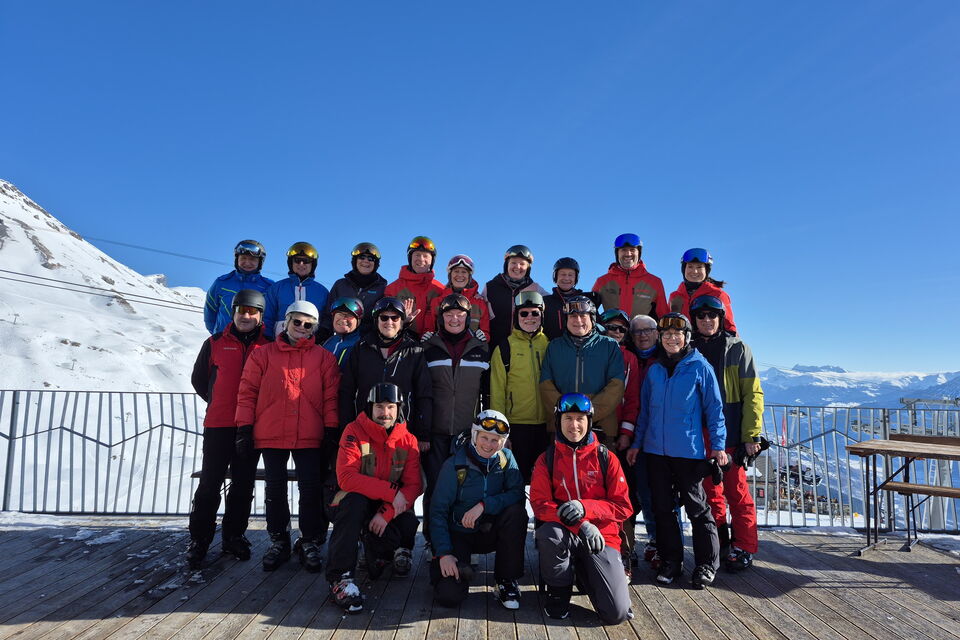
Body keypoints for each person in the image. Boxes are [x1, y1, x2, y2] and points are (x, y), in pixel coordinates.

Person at [235, 300, 341, 573]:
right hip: (271, 431)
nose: (302, 328)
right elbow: (247, 392)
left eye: (308, 325)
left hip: (309, 433)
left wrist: (330, 429)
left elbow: (330, 397)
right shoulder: (262, 355)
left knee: (310, 489)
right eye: (297, 322)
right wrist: (244, 427)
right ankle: (279, 540)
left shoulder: (324, 358)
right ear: (287, 321)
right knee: (275, 489)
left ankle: (309, 540)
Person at [626, 313, 727, 590]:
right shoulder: (655, 371)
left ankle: (707, 564)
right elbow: (645, 412)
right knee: (662, 509)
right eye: (667, 334)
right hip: (655, 451)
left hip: (688, 451)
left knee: (697, 508)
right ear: (661, 338)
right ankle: (672, 560)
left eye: (677, 334)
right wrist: (637, 444)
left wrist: (718, 446)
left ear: (686, 338)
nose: (672, 339)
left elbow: (714, 409)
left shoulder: (699, 367)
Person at [187, 289, 271, 569]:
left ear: (261, 316)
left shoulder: (268, 346)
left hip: (251, 427)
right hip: (218, 425)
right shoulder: (214, 343)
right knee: (209, 484)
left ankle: (234, 536)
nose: (246, 316)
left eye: (252, 312)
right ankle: (199, 539)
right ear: (233, 313)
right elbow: (199, 380)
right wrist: (218, 402)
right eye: (241, 311)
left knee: (243, 485)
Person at [532, 393, 633, 624]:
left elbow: (623, 506)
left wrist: (585, 507)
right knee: (550, 533)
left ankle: (585, 571)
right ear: (558, 421)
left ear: (589, 421)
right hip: (565, 531)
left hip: (602, 535)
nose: (574, 425)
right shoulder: (547, 458)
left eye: (580, 419)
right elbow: (540, 504)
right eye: (568, 418)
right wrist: (581, 524)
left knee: (616, 614)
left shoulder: (606, 457)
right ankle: (558, 594)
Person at [326, 383, 422, 613]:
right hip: (351, 502)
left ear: (399, 409)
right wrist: (391, 492)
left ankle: (378, 551)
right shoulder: (354, 431)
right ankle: (340, 578)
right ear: (370, 407)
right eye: (379, 406)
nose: (385, 413)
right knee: (355, 503)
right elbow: (347, 478)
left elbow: (414, 486)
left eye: (390, 407)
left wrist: (386, 513)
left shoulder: (408, 440)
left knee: (407, 523)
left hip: (384, 507)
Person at [690, 295, 763, 571]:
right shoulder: (689, 348)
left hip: (730, 431)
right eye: (701, 316)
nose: (707, 320)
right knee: (710, 493)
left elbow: (752, 393)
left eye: (712, 315)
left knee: (737, 492)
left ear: (721, 318)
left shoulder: (738, 348)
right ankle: (719, 539)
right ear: (694, 320)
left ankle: (745, 546)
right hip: (700, 433)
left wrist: (751, 434)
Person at [429, 410, 526, 609]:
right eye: (484, 437)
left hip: (489, 530)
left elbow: (517, 493)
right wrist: (444, 553)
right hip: (459, 533)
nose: (489, 445)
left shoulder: (506, 459)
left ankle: (506, 580)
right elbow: (437, 511)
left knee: (516, 513)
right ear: (474, 435)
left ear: (503, 441)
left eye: (495, 440)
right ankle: (442, 565)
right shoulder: (454, 465)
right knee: (449, 596)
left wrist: (484, 505)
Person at [421, 294, 490, 542]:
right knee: (436, 487)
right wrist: (423, 431)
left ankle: (461, 541)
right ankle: (433, 542)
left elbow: (488, 393)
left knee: (465, 489)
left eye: (460, 315)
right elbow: (421, 392)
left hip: (466, 433)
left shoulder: (481, 349)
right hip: (436, 432)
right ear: (441, 318)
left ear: (468, 318)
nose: (454, 319)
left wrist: (484, 431)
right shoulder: (428, 348)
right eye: (449, 314)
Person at [337, 297, 433, 449]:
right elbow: (347, 391)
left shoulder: (414, 351)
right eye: (384, 318)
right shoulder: (361, 348)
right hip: (365, 432)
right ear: (376, 320)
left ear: (401, 322)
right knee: (367, 463)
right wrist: (346, 428)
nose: (389, 322)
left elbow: (424, 393)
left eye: (395, 318)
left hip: (402, 431)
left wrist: (423, 434)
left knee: (399, 464)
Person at [539, 295, 625, 444]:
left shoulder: (610, 346)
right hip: (562, 427)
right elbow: (546, 385)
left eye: (583, 316)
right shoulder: (554, 346)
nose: (578, 321)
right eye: (572, 316)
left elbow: (616, 386)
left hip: (601, 427)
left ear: (592, 319)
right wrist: (566, 416)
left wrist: (586, 414)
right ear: (566, 319)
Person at [598, 308, 641, 576]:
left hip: (616, 436)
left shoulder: (629, 359)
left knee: (620, 493)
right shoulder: (592, 351)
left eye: (621, 329)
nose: (615, 332)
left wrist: (626, 432)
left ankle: (625, 548)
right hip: (591, 431)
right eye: (610, 327)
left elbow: (633, 398)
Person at [490, 291, 549, 483]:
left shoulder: (549, 345)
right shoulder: (505, 348)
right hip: (517, 425)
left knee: (543, 481)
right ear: (516, 316)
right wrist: (501, 432)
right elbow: (497, 392)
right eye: (524, 313)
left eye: (535, 313)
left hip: (546, 425)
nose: (529, 317)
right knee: (516, 481)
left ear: (542, 316)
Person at [627, 314, 666, 566]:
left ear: (656, 333)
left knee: (654, 493)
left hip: (656, 435)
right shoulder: (626, 358)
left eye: (648, 330)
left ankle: (657, 540)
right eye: (637, 331)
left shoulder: (665, 358)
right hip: (629, 433)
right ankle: (627, 543)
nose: (643, 335)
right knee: (631, 492)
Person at [483, 244, 548, 347]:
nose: (517, 267)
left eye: (522, 264)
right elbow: (479, 309)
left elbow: (553, 303)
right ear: (507, 265)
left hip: (524, 348)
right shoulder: (491, 287)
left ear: (528, 268)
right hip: (494, 346)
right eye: (513, 262)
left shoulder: (535, 289)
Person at [591, 234, 667, 320]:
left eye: (632, 250)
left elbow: (663, 316)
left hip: (640, 328)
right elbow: (589, 311)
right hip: (612, 328)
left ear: (639, 253)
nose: (628, 254)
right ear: (617, 253)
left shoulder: (655, 282)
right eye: (623, 250)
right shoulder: (602, 281)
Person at [204, 240, 274, 334]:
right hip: (224, 339)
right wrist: (218, 335)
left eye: (252, 259)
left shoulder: (269, 287)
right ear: (237, 259)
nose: (247, 263)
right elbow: (210, 313)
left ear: (260, 262)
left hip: (256, 341)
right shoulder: (221, 283)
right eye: (243, 258)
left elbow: (272, 317)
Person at [263, 242, 330, 339]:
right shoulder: (277, 288)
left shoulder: (322, 292)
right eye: (297, 260)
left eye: (306, 261)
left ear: (313, 264)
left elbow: (327, 319)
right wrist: (268, 338)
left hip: (311, 344)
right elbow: (267, 317)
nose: (301, 264)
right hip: (279, 343)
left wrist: (321, 338)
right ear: (291, 263)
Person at [384, 236, 445, 337]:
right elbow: (384, 322)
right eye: (417, 255)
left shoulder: (440, 289)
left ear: (432, 260)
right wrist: (403, 322)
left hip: (432, 341)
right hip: (402, 340)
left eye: (425, 256)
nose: (421, 259)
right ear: (410, 258)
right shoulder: (392, 289)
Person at [669, 248, 737, 334]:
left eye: (699, 267)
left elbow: (730, 327)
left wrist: (733, 341)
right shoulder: (674, 296)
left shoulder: (718, 295)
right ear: (684, 269)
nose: (694, 271)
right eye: (690, 266)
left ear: (706, 270)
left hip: (710, 341)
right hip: (680, 341)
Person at [325, 242, 387, 335]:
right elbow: (328, 313)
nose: (366, 261)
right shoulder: (340, 285)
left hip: (368, 338)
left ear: (376, 264)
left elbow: (383, 317)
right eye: (362, 257)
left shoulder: (382, 288)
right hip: (340, 336)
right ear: (355, 261)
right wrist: (325, 331)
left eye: (370, 259)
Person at [424, 254, 490, 336]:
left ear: (469, 276)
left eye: (464, 272)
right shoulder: (437, 302)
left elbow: (486, 332)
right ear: (450, 275)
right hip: (442, 343)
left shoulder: (479, 303)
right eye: (456, 271)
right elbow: (429, 330)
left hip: (471, 344)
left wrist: (482, 338)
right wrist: (429, 337)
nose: (460, 275)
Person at [542, 257, 600, 340]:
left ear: (576, 278)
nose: (566, 278)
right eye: (563, 274)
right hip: (552, 345)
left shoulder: (586, 301)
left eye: (570, 275)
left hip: (581, 346)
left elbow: (598, 325)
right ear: (555, 277)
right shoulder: (546, 302)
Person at [322, 297, 364, 371]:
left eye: (349, 315)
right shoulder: (329, 341)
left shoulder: (360, 346)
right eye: (339, 314)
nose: (343, 319)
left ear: (359, 321)